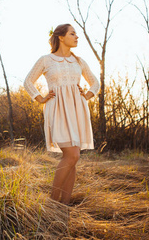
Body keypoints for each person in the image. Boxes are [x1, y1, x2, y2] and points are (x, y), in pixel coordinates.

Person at [24, 23, 99, 205]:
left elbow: (95, 83)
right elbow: (28, 82)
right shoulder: (46, 60)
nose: (77, 37)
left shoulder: (79, 61)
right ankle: (52, 202)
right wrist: (40, 98)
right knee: (72, 155)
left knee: (72, 158)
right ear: (61, 37)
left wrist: (86, 96)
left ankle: (63, 207)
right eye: (73, 34)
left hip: (77, 110)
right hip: (57, 109)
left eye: (76, 34)